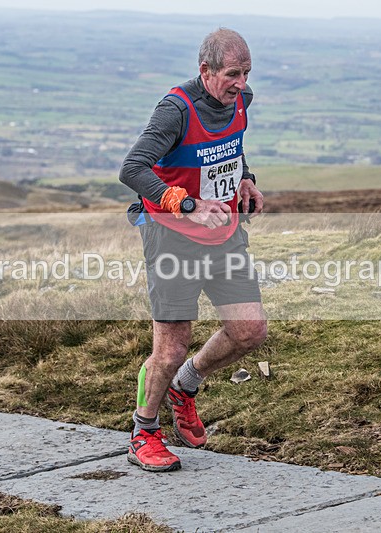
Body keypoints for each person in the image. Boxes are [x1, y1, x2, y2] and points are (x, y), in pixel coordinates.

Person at [119, 28, 267, 472]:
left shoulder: (241, 100)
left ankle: (187, 386)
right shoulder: (175, 111)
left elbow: (229, 149)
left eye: (246, 72)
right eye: (231, 74)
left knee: (249, 331)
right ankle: (143, 432)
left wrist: (246, 179)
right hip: (171, 237)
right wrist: (184, 204)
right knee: (171, 346)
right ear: (204, 71)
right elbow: (132, 169)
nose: (241, 83)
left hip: (224, 234)